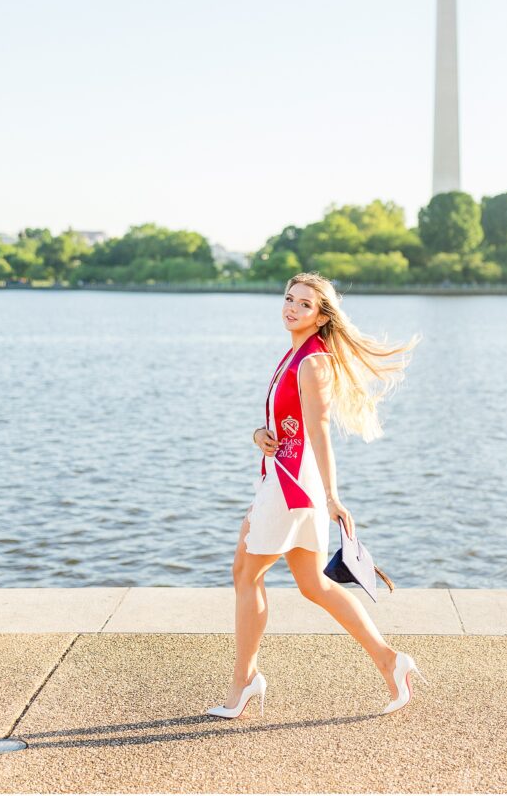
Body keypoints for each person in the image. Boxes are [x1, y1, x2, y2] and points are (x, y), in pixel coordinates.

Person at [207, 271, 426, 718]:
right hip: (280, 475)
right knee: (311, 584)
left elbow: (320, 430)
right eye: (289, 298)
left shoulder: (313, 362)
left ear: (322, 314)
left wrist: (333, 495)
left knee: (246, 575)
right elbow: (287, 423)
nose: (291, 307)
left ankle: (244, 682)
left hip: (292, 486)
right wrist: (259, 435)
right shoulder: (294, 356)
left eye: (304, 304)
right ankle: (390, 661)